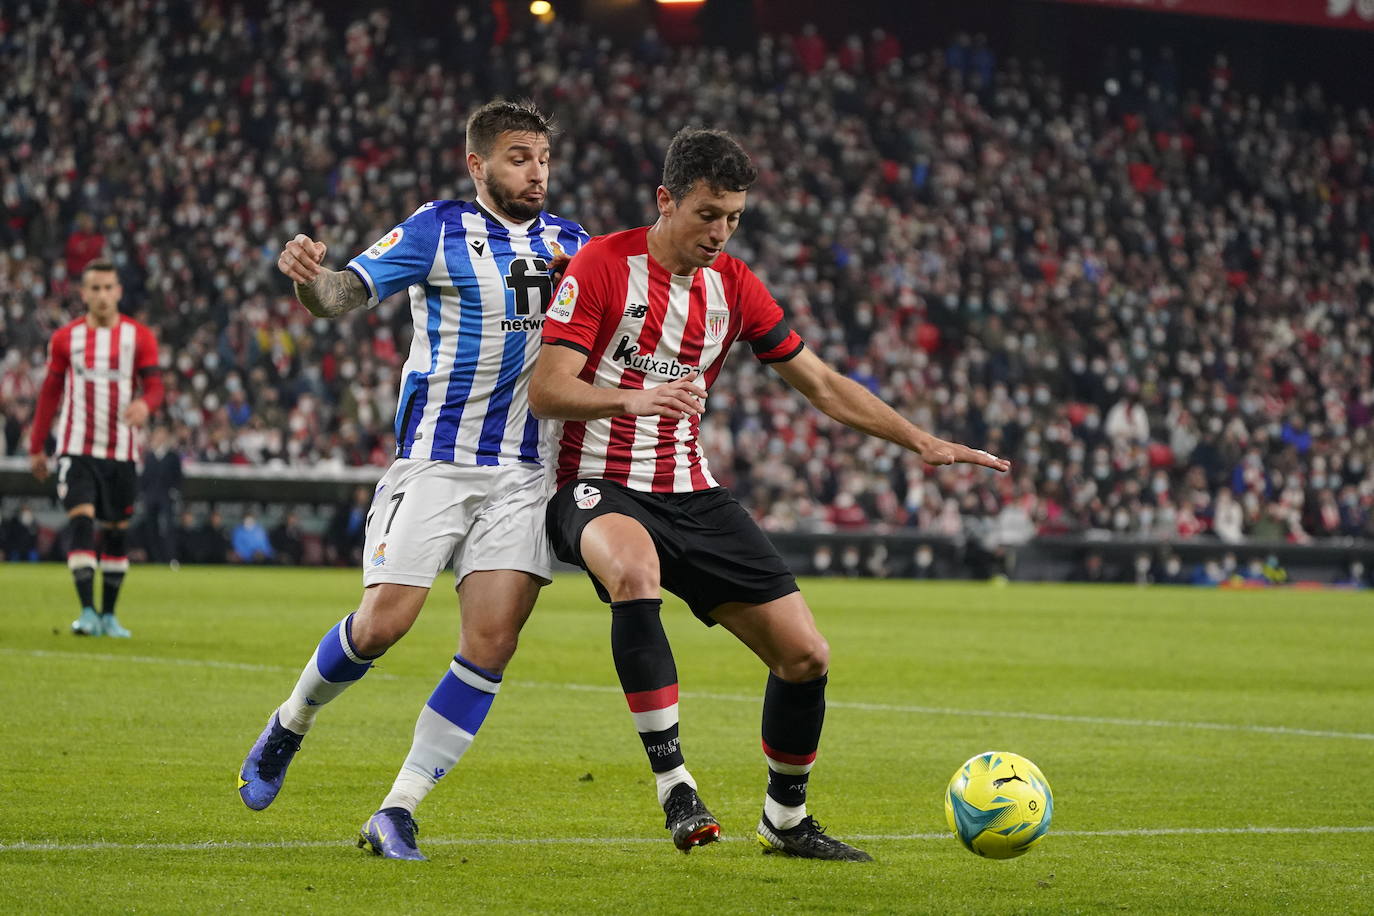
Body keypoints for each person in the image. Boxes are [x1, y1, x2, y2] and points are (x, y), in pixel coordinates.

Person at [529, 128, 1008, 861]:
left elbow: (820, 383)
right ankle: (676, 787)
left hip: (692, 491)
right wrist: (633, 401)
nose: (719, 233)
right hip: (594, 484)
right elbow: (547, 390)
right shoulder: (601, 266)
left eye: (733, 218)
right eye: (707, 214)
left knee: (806, 655)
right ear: (666, 200)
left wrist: (921, 440)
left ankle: (785, 819)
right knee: (634, 573)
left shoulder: (737, 286)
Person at [237, 100, 588, 861]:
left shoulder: (573, 245)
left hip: (524, 475)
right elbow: (338, 298)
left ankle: (398, 809)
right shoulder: (436, 228)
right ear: (478, 165)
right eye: (520, 157)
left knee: (491, 643)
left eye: (543, 158)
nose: (536, 172)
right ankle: (291, 720)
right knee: (383, 625)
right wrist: (308, 278)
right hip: (434, 463)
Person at [27, 258, 163, 638]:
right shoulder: (65, 339)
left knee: (117, 531)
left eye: (108, 288)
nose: (102, 296)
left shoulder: (139, 337)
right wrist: (37, 446)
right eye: (95, 289)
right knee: (82, 521)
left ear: (118, 291)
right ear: (83, 293)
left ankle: (108, 616)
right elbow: (49, 394)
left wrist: (145, 405)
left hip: (121, 451)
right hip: (76, 448)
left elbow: (154, 386)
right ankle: (86, 612)